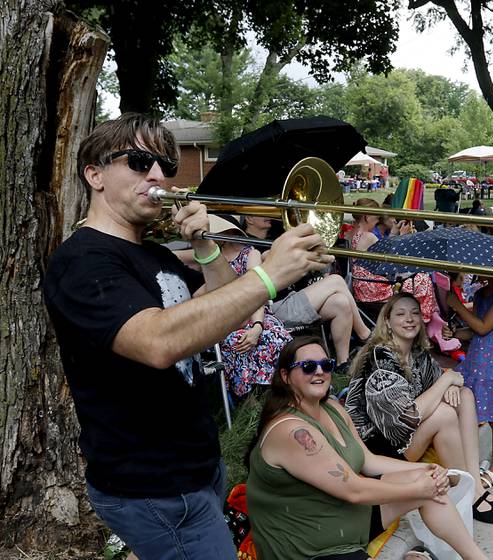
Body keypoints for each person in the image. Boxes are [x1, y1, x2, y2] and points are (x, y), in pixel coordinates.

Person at [43, 113, 332, 559]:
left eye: (164, 166)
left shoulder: (150, 253)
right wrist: (269, 274)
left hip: (193, 466)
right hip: (153, 486)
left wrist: (206, 247)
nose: (158, 175)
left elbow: (216, 307)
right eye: (140, 161)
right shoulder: (82, 261)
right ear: (94, 174)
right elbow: (157, 342)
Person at [246, 336, 488, 560]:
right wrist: (417, 488)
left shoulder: (332, 408)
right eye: (308, 366)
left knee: (429, 482)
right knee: (425, 487)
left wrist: (428, 470)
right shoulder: (292, 432)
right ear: (286, 376)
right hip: (312, 549)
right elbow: (354, 490)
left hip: (345, 521)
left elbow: (367, 460)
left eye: (326, 364)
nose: (319, 371)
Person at [345, 294, 493, 524]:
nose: (410, 319)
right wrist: (447, 381)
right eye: (401, 314)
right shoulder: (379, 360)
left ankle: (474, 483)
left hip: (407, 437)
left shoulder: (416, 352)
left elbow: (446, 382)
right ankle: (466, 493)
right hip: (380, 448)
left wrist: (450, 384)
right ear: (387, 321)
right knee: (444, 414)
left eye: (415, 313)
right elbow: (406, 419)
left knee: (464, 396)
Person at [243, 212, 372, 365]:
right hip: (274, 309)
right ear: (249, 219)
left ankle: (342, 362)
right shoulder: (250, 246)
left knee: (340, 302)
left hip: (290, 300)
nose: (269, 214)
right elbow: (267, 260)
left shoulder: (273, 239)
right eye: (261, 212)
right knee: (336, 281)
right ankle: (365, 335)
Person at [446, 277, 493, 489]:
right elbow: (474, 330)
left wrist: (458, 306)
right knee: (472, 412)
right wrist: (455, 334)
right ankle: (470, 463)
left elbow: (484, 327)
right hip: (478, 361)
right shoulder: (480, 295)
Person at [210, 215, 293, 396]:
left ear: (230, 231)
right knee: (237, 341)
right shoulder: (212, 258)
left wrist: (257, 326)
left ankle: (282, 387)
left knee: (273, 336)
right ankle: (251, 393)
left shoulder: (250, 253)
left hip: (256, 313)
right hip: (228, 319)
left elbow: (257, 292)